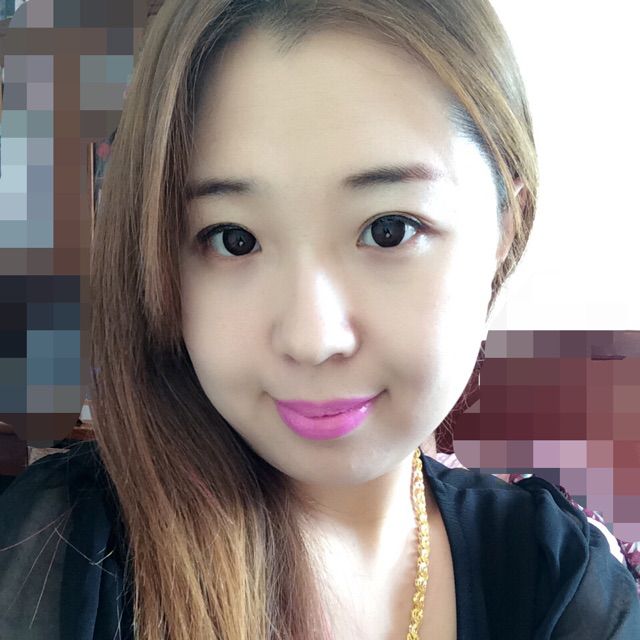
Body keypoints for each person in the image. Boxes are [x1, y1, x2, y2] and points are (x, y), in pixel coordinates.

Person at [1, 1, 639, 638]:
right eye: (232, 239)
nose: (312, 339)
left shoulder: (555, 573)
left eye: (389, 229)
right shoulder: (65, 552)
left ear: (503, 227)